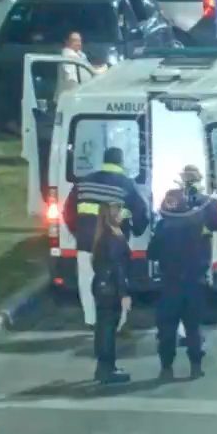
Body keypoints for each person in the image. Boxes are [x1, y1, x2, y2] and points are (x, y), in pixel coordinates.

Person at [147, 165, 217, 380]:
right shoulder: (205, 204)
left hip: (169, 281)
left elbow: (152, 252)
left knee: (167, 327)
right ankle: (195, 366)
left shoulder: (165, 224)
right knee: (193, 326)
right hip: (195, 279)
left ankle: (166, 368)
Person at [63, 147, 149, 327]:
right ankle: (118, 323)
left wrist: (78, 232)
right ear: (121, 162)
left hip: (86, 242)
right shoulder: (127, 185)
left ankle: (90, 319)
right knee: (118, 279)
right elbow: (141, 213)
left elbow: (68, 212)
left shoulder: (84, 183)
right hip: (114, 244)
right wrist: (136, 231)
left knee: (86, 280)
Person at [90, 202, 133, 384]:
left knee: (103, 328)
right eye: (119, 209)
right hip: (111, 288)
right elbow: (118, 268)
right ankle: (107, 370)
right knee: (108, 329)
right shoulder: (113, 237)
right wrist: (124, 294)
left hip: (101, 286)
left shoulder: (105, 234)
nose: (123, 212)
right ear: (113, 214)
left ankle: (104, 367)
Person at [57, 31, 107, 102]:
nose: (78, 43)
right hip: (69, 99)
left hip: (79, 97)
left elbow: (88, 68)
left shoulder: (80, 55)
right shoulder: (68, 56)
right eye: (75, 41)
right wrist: (104, 68)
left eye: (80, 40)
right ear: (67, 42)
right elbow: (72, 80)